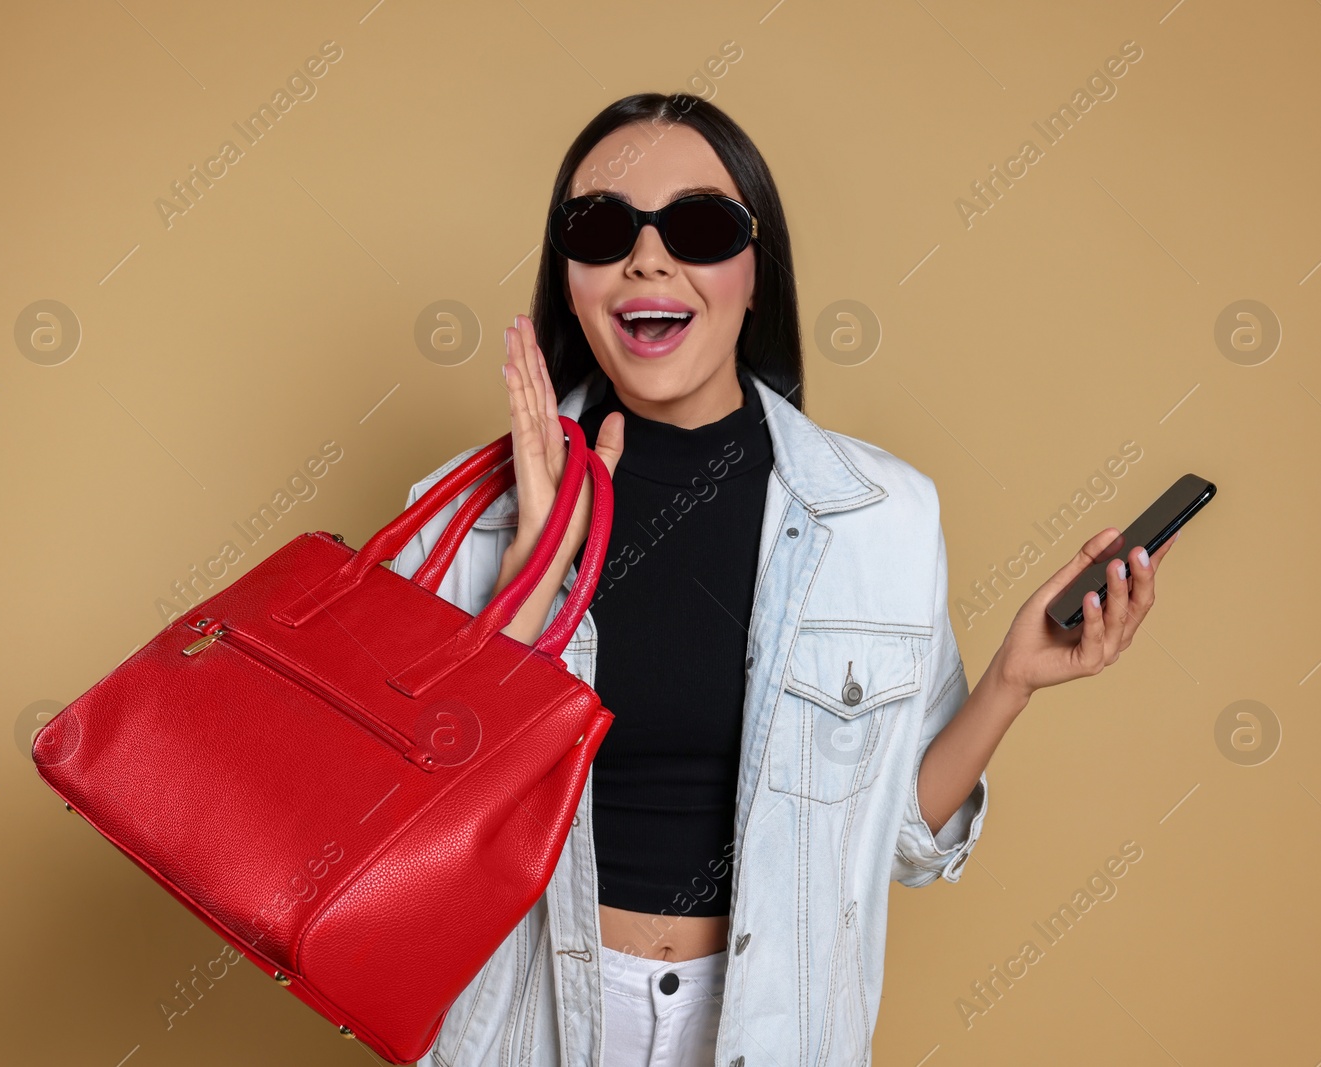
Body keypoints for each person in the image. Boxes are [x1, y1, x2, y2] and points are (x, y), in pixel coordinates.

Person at [391, 91, 1175, 1067]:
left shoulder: (881, 516)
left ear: (757, 273)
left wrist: (1011, 679)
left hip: (771, 1027)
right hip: (522, 1026)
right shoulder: (462, 515)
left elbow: (898, 841)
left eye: (698, 225)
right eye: (600, 228)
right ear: (568, 273)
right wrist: (524, 579)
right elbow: (398, 834)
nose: (647, 257)